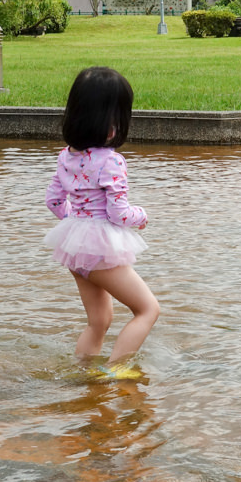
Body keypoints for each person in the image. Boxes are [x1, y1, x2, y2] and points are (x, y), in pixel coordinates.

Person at [44, 67, 159, 378]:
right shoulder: (111, 161)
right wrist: (142, 215)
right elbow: (118, 214)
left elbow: (54, 201)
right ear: (112, 124)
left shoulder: (66, 156)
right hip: (100, 249)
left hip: (74, 247)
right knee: (148, 310)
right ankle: (114, 371)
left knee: (99, 321)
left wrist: (76, 226)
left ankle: (82, 374)